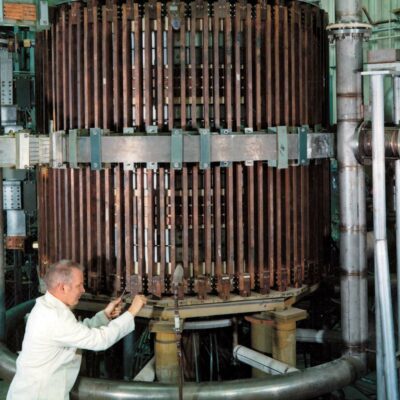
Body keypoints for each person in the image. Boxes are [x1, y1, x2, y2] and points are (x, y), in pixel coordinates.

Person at [7, 259, 146, 400]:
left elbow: (77, 332)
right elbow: (99, 340)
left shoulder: (49, 306)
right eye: (79, 285)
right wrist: (132, 312)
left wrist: (104, 316)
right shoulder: (54, 317)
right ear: (62, 288)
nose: (83, 290)